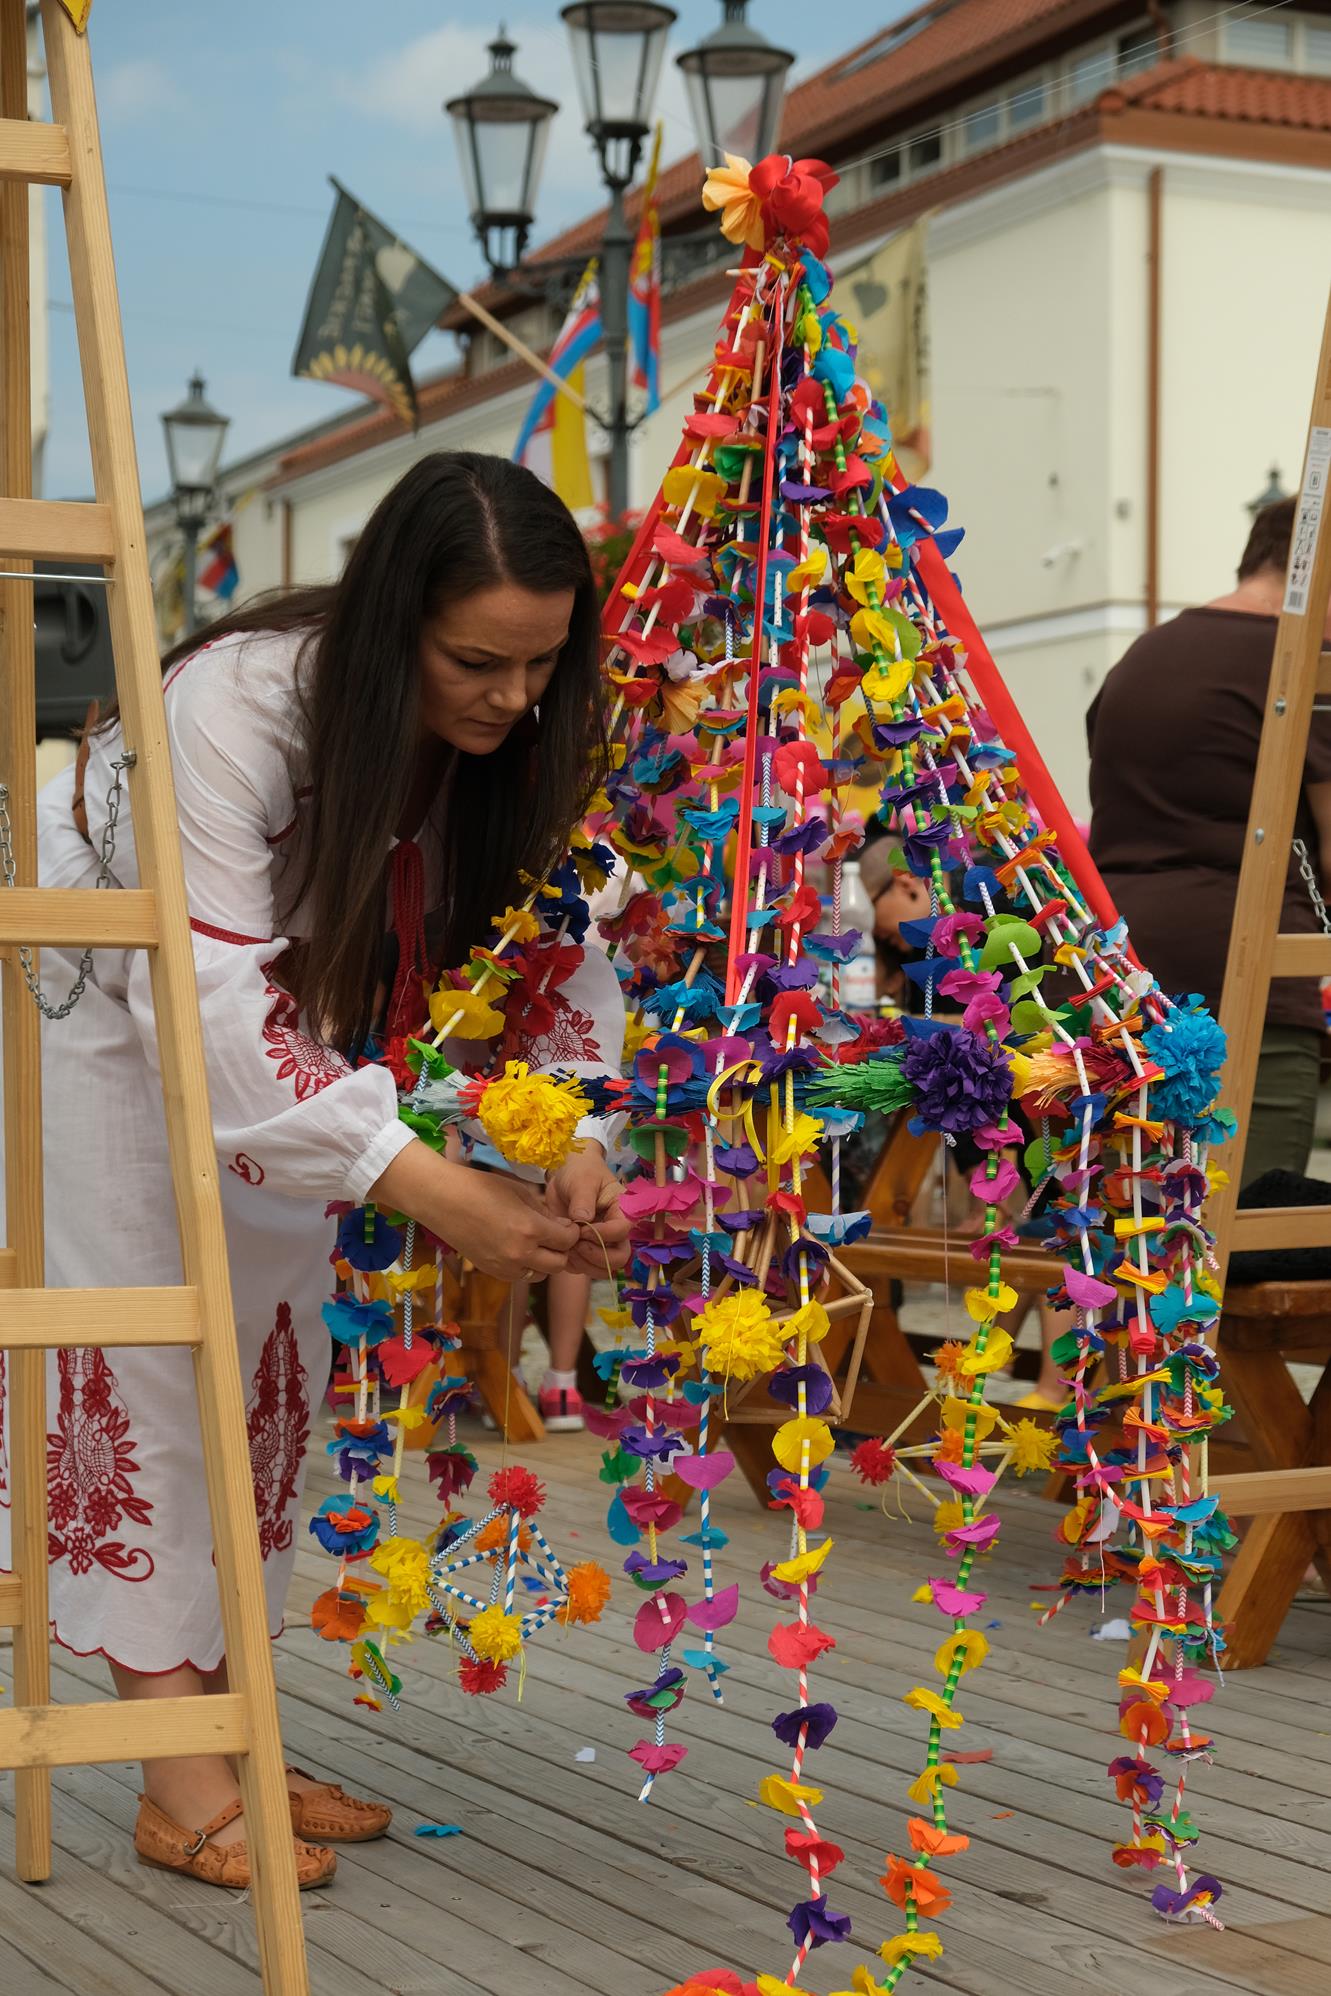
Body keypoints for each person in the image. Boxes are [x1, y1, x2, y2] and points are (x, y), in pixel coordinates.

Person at [0, 452, 629, 1888]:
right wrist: (431, 1183)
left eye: (541, 664)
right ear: (394, 624)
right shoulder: (234, 702)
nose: (511, 698)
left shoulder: (519, 735)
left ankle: (232, 1728)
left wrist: (572, 1137)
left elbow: (556, 948)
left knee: (267, 1354)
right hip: (103, 1000)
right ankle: (175, 1770)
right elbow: (208, 999)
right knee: (151, 1356)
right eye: (475, 662)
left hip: (290, 1039)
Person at [1088, 496, 1331, 1189]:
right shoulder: (1300, 661)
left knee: (1128, 1218)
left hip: (1120, 973)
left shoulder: (1144, 655)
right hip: (1246, 972)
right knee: (1242, 1218)